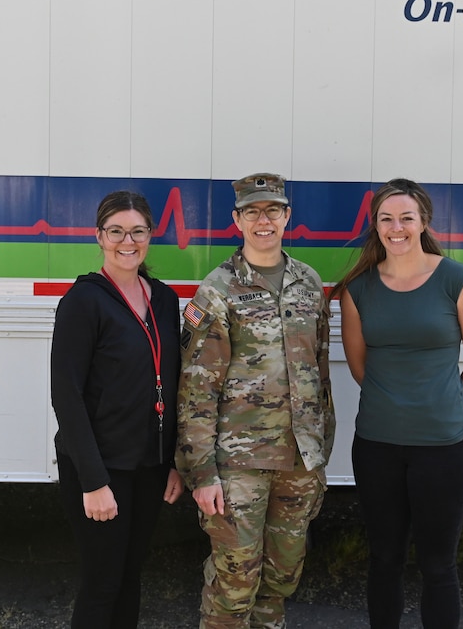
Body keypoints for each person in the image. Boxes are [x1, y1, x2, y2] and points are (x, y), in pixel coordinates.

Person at [330, 177, 463, 629]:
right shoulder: (358, 290)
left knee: (438, 565)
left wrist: (440, 407)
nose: (396, 227)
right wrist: (400, 406)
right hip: (378, 447)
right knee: (384, 559)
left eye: (406, 217)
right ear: (376, 226)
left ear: (423, 222)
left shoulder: (458, 281)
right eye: (386, 219)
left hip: (444, 448)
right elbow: (362, 367)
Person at [176, 173, 335, 629]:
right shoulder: (218, 289)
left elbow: (319, 370)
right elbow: (197, 388)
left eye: (272, 210)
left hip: (300, 462)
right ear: (237, 220)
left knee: (282, 577)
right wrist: (201, 471)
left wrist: (321, 450)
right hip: (237, 464)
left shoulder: (309, 283)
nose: (263, 220)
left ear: (287, 216)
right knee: (235, 582)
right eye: (252, 211)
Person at [50, 190, 184, 628]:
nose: (128, 241)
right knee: (102, 581)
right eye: (116, 232)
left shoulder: (164, 299)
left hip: (149, 465)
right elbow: (65, 396)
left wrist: (174, 462)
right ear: (99, 237)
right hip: (100, 469)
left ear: (150, 236)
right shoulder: (83, 301)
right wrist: (93, 481)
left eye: (138, 231)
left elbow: (176, 381)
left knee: (130, 577)